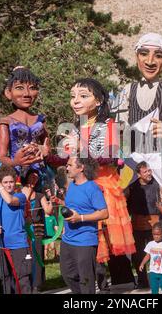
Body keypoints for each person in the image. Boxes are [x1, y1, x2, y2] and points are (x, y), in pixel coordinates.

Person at [52, 78, 136, 290]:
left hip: (104, 187)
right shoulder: (76, 129)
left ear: (98, 101)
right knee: (90, 240)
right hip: (80, 188)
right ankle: (96, 284)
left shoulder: (109, 125)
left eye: (83, 96)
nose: (76, 101)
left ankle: (122, 284)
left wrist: (81, 148)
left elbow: (111, 156)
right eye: (73, 97)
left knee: (109, 238)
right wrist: (46, 156)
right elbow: (67, 160)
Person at [115, 33, 162, 205]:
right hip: (133, 155)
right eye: (144, 54)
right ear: (136, 57)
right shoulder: (127, 90)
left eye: (158, 56)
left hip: (159, 155)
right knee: (119, 197)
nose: (150, 61)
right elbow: (120, 128)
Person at [60, 157, 108, 294]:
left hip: (85, 241)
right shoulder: (72, 186)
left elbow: (104, 213)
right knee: (67, 275)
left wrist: (80, 218)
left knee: (86, 279)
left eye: (69, 165)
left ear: (81, 168)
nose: (67, 168)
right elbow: (71, 207)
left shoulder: (92, 188)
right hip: (67, 239)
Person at [0, 66, 49, 185]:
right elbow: (2, 156)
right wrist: (15, 162)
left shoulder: (41, 120)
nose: (26, 94)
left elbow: (47, 147)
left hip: (40, 173)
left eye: (32, 88)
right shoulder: (6, 122)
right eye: (19, 88)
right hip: (15, 174)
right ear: (8, 92)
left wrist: (44, 150)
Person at [0, 164, 32, 294]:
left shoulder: (20, 197)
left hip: (18, 243)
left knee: (22, 278)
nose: (8, 185)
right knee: (4, 278)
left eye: (11, 182)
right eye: (5, 182)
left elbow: (9, 200)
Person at [125, 161, 160, 288]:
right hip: (137, 223)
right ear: (139, 174)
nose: (149, 173)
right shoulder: (133, 187)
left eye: (149, 170)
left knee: (157, 252)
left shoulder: (156, 184)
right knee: (138, 254)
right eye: (145, 171)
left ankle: (158, 279)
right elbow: (127, 205)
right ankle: (142, 281)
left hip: (154, 223)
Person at [21, 168, 53, 292]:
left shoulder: (40, 195)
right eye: (32, 177)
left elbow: (48, 211)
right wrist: (27, 192)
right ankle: (25, 283)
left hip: (37, 230)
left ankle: (36, 285)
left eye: (36, 178)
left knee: (37, 256)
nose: (34, 180)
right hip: (24, 230)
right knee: (24, 256)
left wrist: (51, 199)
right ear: (26, 177)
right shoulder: (19, 193)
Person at [138, 222, 162, 294]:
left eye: (158, 234)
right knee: (154, 290)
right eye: (154, 234)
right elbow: (148, 255)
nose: (155, 236)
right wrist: (142, 264)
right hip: (153, 271)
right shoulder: (150, 244)